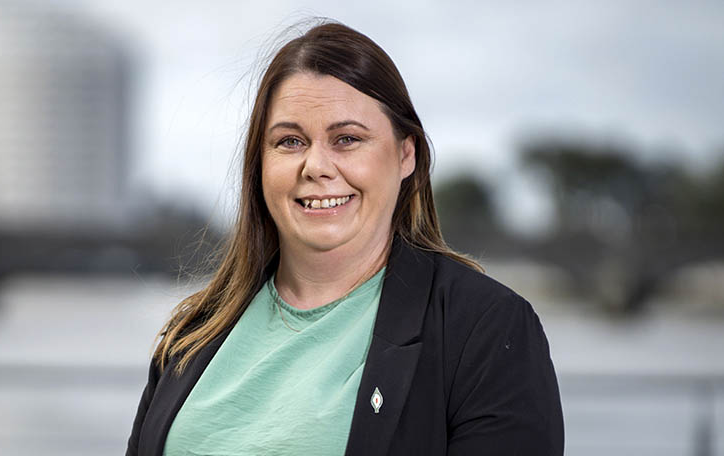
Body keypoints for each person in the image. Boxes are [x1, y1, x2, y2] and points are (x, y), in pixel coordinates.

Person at [127, 20, 564, 456]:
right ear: (259, 164)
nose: (316, 165)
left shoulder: (485, 330)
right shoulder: (194, 333)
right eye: (290, 141)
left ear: (406, 154)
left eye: (348, 139)